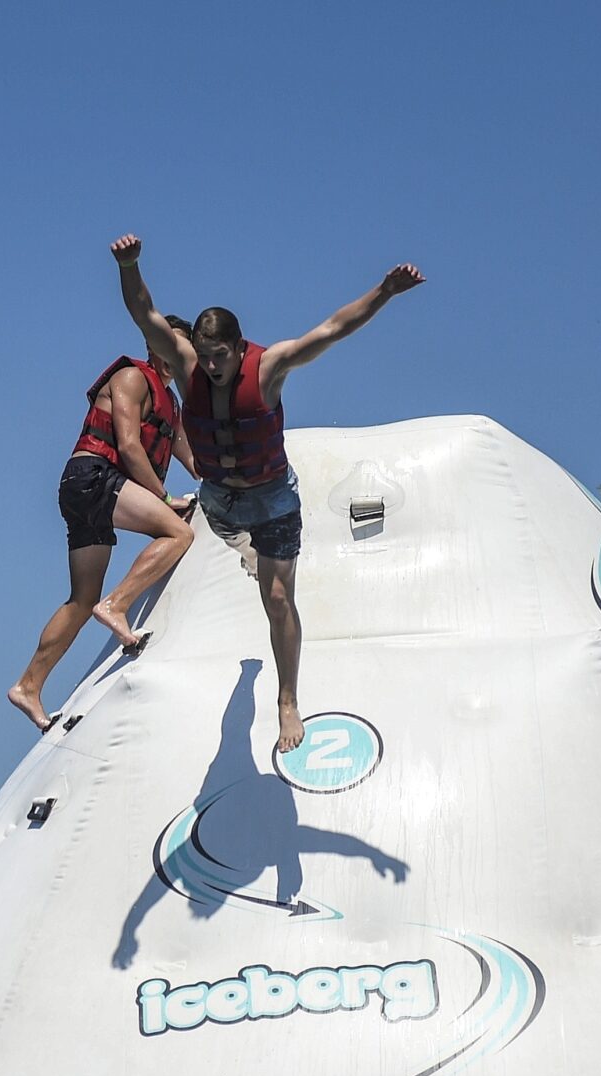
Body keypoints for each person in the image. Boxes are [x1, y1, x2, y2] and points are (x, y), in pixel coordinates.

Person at [113, 234, 426, 751]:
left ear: (239, 347)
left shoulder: (271, 366)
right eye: (205, 357)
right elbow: (144, 312)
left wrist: (386, 292)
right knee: (246, 550)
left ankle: (287, 699)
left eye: (221, 357)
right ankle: (251, 556)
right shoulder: (187, 366)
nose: (212, 367)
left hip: (274, 498)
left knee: (278, 600)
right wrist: (130, 264)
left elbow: (333, 328)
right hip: (222, 505)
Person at [7, 328, 202, 730]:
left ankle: (28, 686)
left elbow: (196, 462)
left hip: (92, 491)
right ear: (152, 346)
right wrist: (165, 500)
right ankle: (117, 605)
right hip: (91, 477)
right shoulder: (132, 377)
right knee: (178, 533)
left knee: (80, 600)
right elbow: (129, 446)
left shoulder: (173, 405)